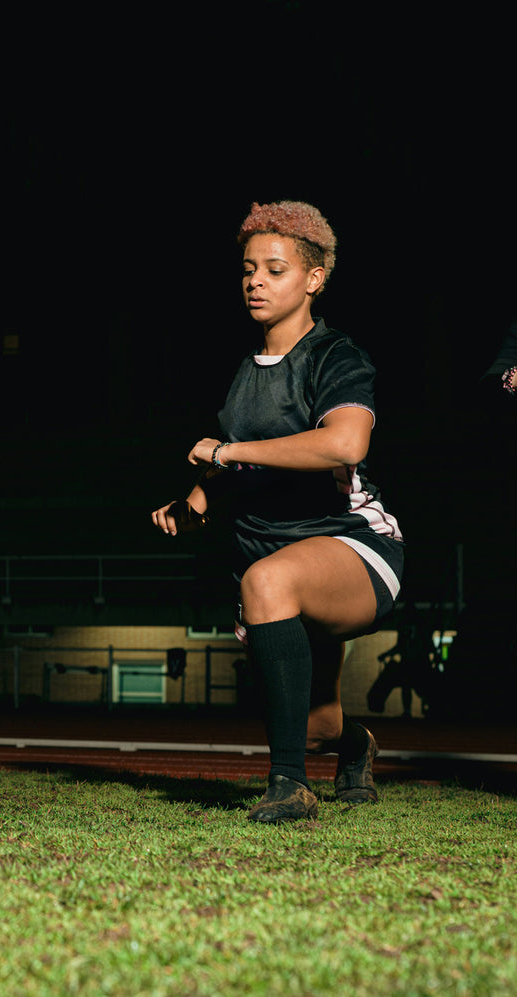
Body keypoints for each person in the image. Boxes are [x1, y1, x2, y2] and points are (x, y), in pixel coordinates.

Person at [150, 202, 403, 823]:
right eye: (247, 269)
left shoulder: (336, 356)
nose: (255, 281)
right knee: (314, 725)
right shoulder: (244, 371)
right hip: (266, 554)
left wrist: (228, 450)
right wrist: (195, 505)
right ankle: (353, 747)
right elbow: (232, 466)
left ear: (313, 279)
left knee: (271, 581)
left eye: (274, 269)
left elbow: (346, 444)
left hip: (350, 545)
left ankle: (289, 787)